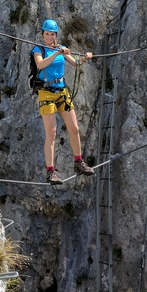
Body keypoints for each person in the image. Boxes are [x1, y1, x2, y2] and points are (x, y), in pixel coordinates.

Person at [32, 19, 95, 184]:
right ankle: (50, 172)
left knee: (74, 129)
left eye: (52, 34)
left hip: (62, 91)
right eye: (47, 33)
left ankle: (78, 162)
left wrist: (85, 58)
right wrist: (56, 53)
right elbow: (40, 65)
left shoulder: (59, 49)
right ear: (43, 34)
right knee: (51, 133)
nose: (49, 36)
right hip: (46, 93)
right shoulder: (38, 49)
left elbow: (75, 63)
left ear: (55, 35)